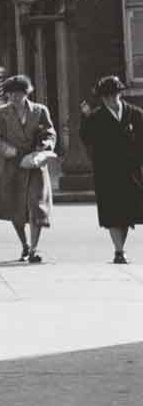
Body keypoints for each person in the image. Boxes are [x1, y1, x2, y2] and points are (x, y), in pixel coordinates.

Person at [0, 74, 56, 263]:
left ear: (27, 93)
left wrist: (45, 145)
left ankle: (34, 249)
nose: (16, 97)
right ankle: (24, 243)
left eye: (20, 93)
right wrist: (13, 152)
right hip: (11, 167)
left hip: (35, 165)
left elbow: (50, 132)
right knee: (15, 208)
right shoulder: (0, 114)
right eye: (11, 93)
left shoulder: (40, 110)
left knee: (36, 206)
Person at [78, 75, 143, 264]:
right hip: (107, 171)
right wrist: (85, 117)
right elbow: (86, 139)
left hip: (132, 170)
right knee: (113, 213)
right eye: (106, 96)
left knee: (128, 213)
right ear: (102, 98)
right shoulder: (95, 117)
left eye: (114, 94)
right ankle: (119, 251)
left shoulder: (135, 114)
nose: (111, 99)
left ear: (120, 94)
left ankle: (120, 248)